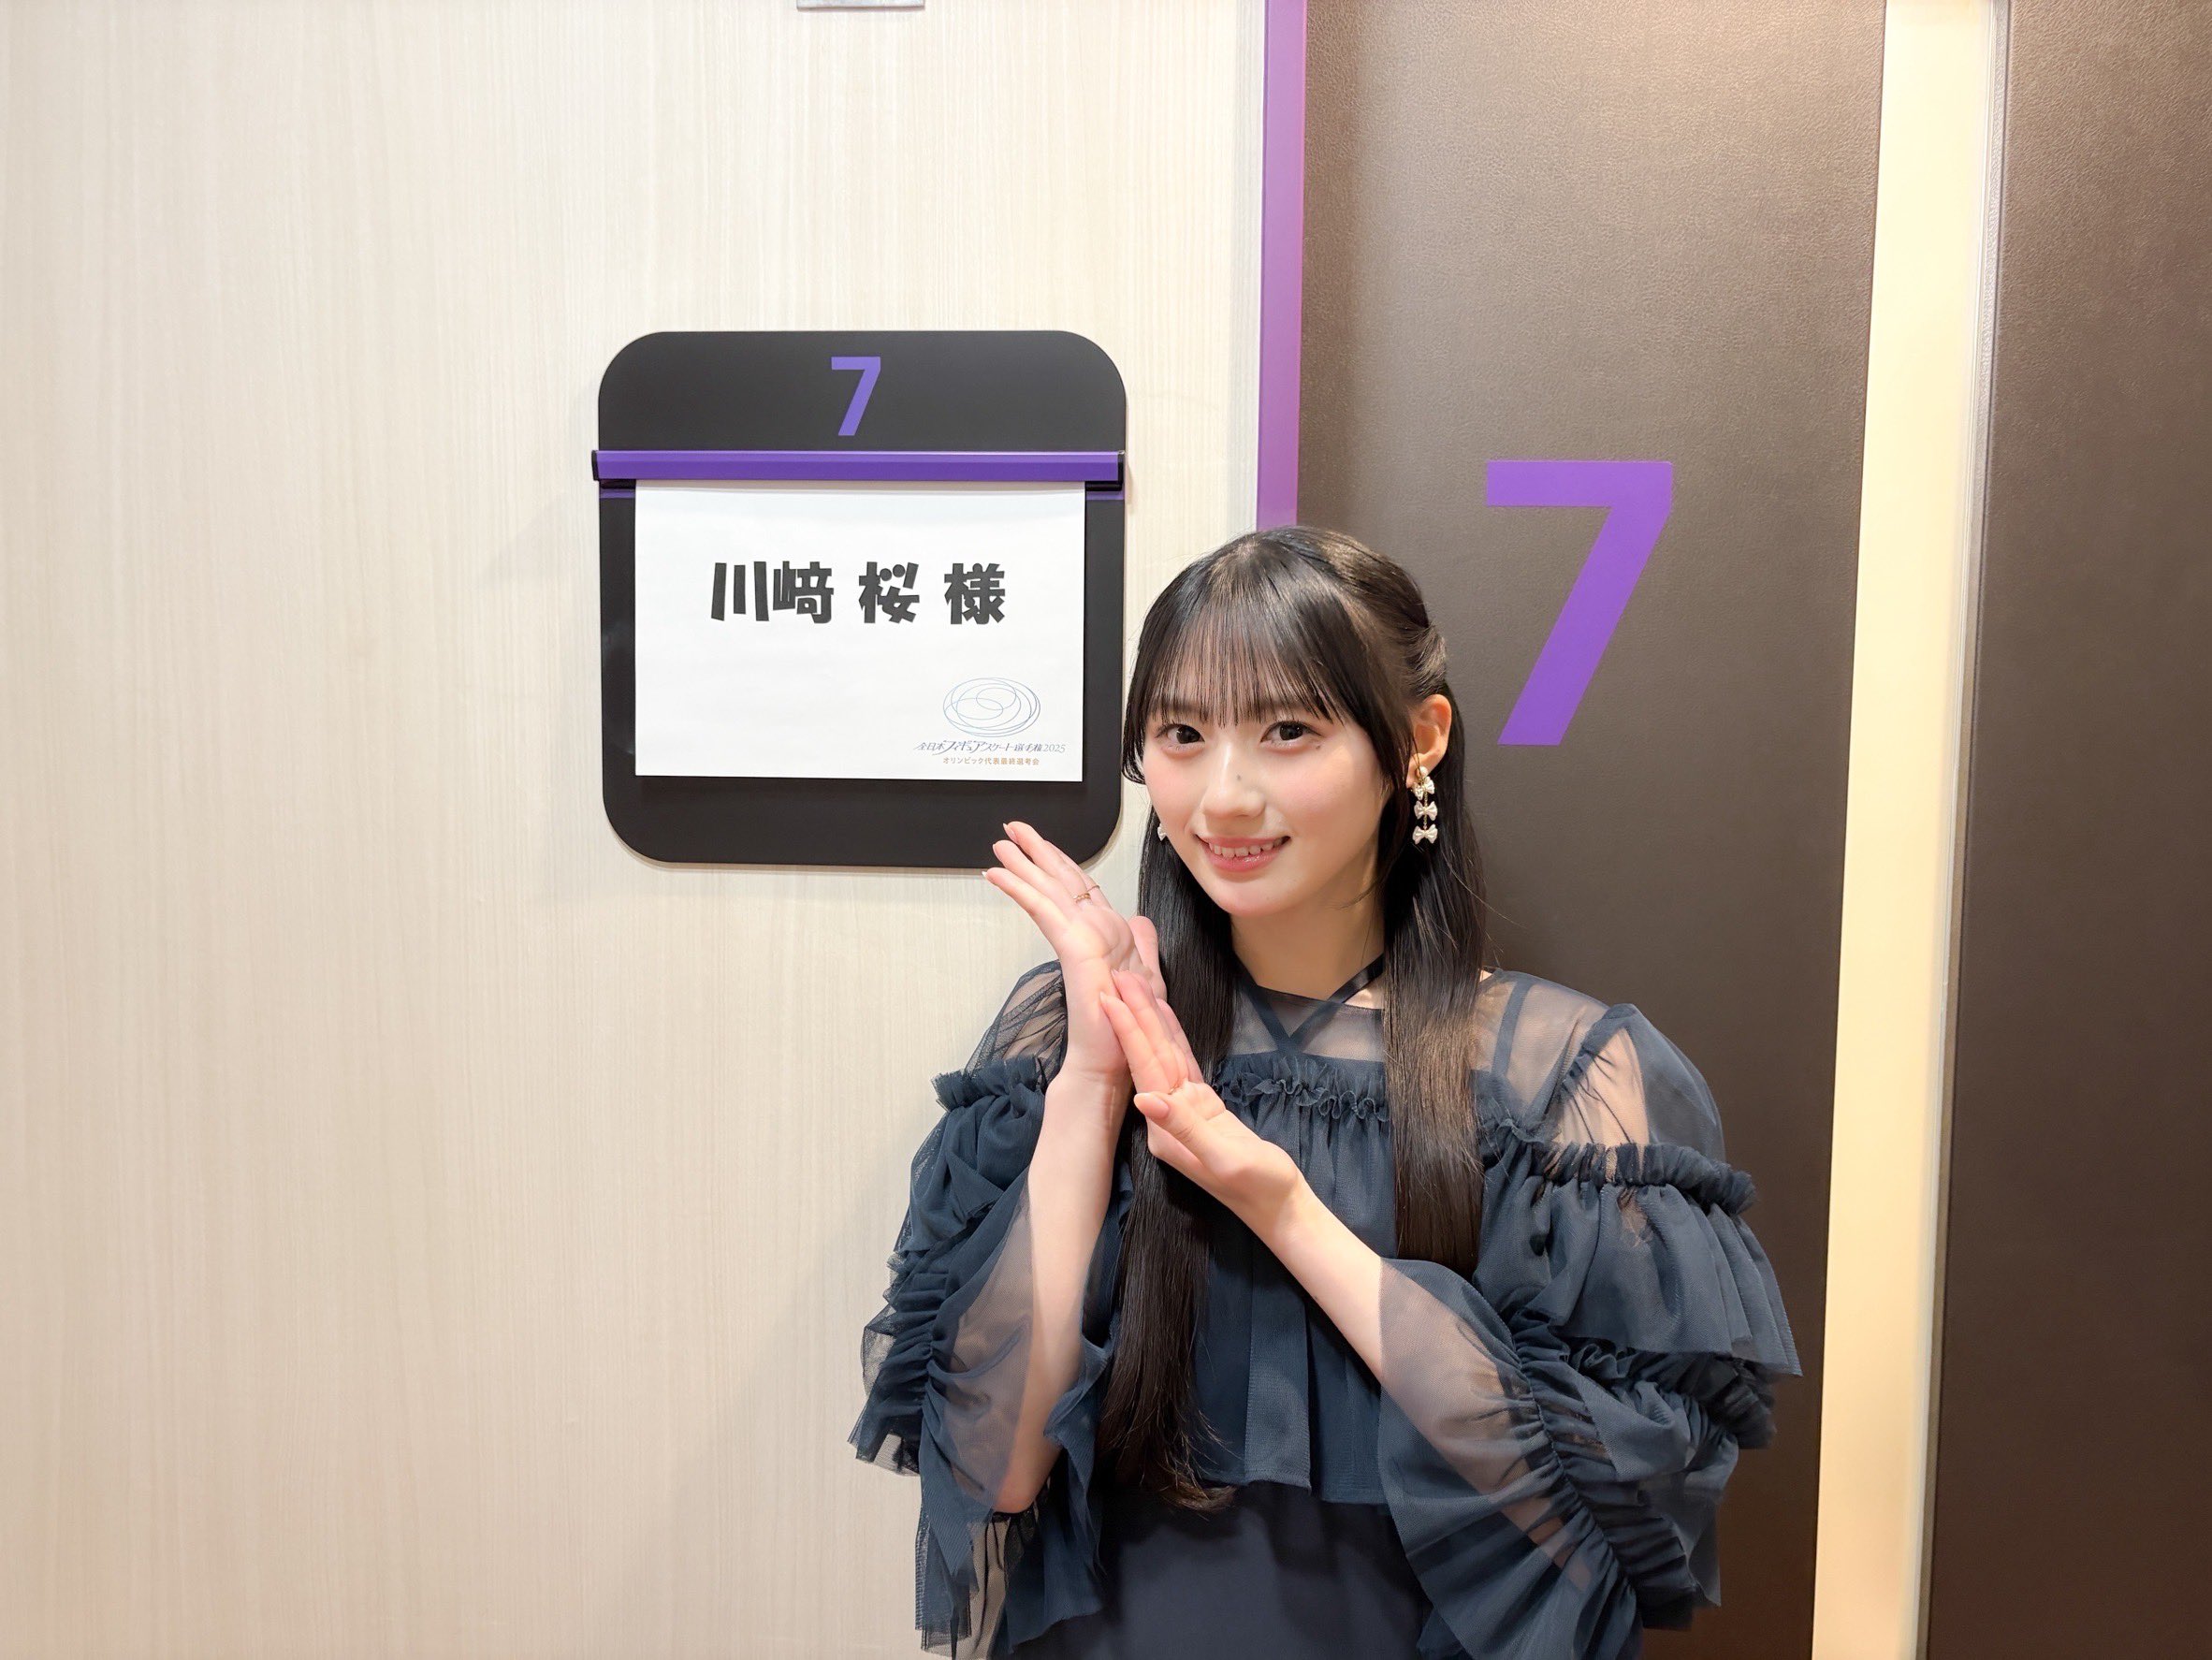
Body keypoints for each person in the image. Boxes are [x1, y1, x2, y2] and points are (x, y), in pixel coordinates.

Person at [849, 525, 1801, 1658]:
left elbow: (1592, 1516)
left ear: (1418, 738)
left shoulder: (1564, 1077)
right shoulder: (1065, 1036)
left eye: (1288, 730)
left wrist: (1284, 1209)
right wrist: (1094, 1078)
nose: (1224, 796)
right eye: (1182, 734)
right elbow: (996, 1470)